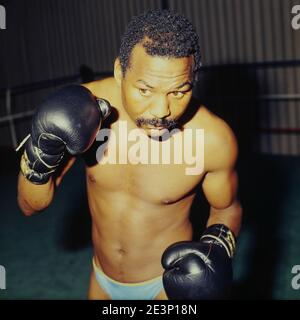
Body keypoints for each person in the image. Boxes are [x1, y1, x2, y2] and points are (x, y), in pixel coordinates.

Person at [17, 9, 242, 300]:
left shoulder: (213, 140)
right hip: (102, 278)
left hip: (164, 287)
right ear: (120, 72)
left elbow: (227, 208)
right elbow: (29, 205)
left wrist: (218, 247)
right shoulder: (84, 111)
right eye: (145, 90)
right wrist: (39, 153)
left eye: (178, 92)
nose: (162, 110)